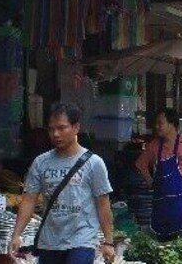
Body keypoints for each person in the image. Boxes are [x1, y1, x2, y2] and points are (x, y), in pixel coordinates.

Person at [10, 103, 115, 264]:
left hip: (81, 240)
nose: (55, 134)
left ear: (76, 127)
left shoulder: (94, 163)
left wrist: (108, 241)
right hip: (49, 241)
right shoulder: (41, 162)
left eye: (61, 128)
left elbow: (103, 204)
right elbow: (29, 200)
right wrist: (17, 234)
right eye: (51, 129)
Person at [136, 108, 182, 241]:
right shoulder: (154, 145)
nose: (157, 127)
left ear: (172, 124)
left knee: (181, 249)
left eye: (160, 123)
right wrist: (150, 181)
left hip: (181, 207)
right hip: (160, 208)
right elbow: (140, 165)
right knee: (162, 248)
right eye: (156, 123)